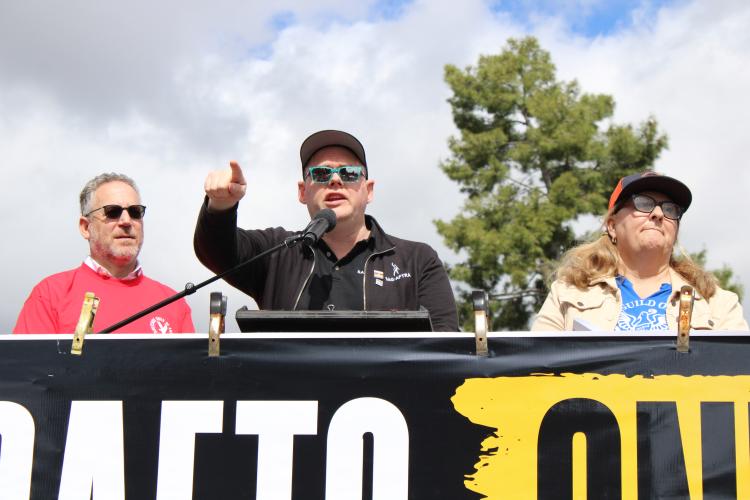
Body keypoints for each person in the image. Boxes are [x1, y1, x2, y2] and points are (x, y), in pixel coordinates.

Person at [194, 129, 459, 331]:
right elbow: (216, 251)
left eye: (350, 173)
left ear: (369, 191)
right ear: (302, 192)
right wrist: (220, 205)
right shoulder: (278, 251)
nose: (335, 180)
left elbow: (445, 347)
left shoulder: (417, 259)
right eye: (320, 174)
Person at [533, 171, 748, 331]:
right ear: (612, 225)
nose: (658, 214)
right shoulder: (567, 293)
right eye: (643, 203)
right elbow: (537, 368)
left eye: (670, 209)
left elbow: (739, 378)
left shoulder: (718, 304)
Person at [14, 173, 195, 334]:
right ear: (86, 227)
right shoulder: (50, 295)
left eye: (135, 212)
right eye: (113, 212)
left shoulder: (174, 303)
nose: (126, 221)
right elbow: (27, 368)